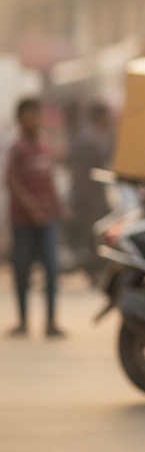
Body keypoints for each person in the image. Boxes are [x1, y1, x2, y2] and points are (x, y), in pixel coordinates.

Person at [5, 97, 67, 338]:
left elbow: (49, 179)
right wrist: (32, 208)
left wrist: (58, 206)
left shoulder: (44, 145)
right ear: (20, 119)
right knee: (22, 270)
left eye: (34, 115)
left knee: (51, 269)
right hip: (22, 221)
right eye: (27, 116)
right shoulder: (16, 148)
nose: (31, 120)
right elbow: (11, 182)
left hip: (47, 219)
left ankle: (51, 321)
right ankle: (23, 321)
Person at [67, 101, 114, 282]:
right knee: (91, 236)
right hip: (89, 197)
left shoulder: (97, 137)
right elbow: (81, 173)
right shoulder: (88, 140)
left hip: (94, 195)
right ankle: (93, 273)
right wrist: (87, 197)